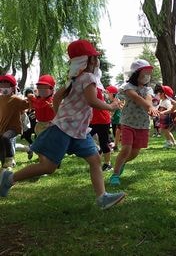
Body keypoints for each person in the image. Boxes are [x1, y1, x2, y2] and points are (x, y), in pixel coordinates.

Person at [0, 39, 125, 209]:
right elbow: (92, 100)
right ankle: (9, 178)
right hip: (66, 130)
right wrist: (111, 106)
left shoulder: (73, 78)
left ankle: (102, 197)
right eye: (93, 57)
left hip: (78, 130)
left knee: (95, 159)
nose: (96, 61)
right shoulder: (88, 77)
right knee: (48, 167)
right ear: (86, 60)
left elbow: (57, 97)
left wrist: (60, 115)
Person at [109, 59, 159, 186]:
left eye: (149, 74)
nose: (147, 76)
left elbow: (147, 99)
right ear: (136, 73)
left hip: (142, 125)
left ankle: (122, 162)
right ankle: (115, 175)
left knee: (134, 153)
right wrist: (150, 108)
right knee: (126, 149)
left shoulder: (148, 90)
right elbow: (137, 99)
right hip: (128, 123)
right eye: (145, 73)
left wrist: (151, 108)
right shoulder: (127, 88)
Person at [0, 74, 30, 168]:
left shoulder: (16, 99)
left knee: (6, 138)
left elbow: (28, 105)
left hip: (14, 128)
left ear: (12, 87)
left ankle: (10, 159)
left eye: (7, 85)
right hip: (2, 127)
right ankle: (5, 167)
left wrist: (31, 98)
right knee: (2, 149)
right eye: (2, 85)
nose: (4, 87)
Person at [89, 86, 113, 172]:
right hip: (92, 121)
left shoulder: (95, 89)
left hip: (103, 120)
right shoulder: (87, 87)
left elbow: (94, 102)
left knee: (104, 143)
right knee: (85, 137)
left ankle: (107, 164)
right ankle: (98, 149)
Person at [106, 85, 122, 151]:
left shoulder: (116, 101)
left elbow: (112, 112)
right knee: (116, 134)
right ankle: (116, 146)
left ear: (112, 94)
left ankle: (116, 146)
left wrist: (109, 117)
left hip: (118, 120)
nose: (107, 95)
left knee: (117, 134)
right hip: (114, 120)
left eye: (108, 93)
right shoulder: (112, 101)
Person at [21, 88, 36, 159]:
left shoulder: (35, 100)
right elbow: (24, 110)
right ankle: (32, 147)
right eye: (28, 93)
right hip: (29, 123)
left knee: (38, 137)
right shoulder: (25, 101)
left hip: (36, 122)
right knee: (25, 135)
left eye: (30, 92)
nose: (29, 94)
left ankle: (34, 149)